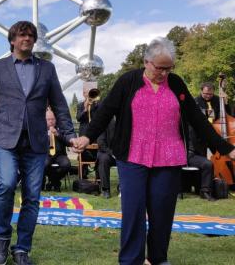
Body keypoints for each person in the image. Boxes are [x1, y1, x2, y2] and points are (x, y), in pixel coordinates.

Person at [74, 37, 235, 265]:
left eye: (168, 68)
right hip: (132, 156)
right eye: (159, 68)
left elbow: (196, 119)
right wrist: (86, 136)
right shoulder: (128, 82)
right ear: (146, 62)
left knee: (162, 212)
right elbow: (105, 111)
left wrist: (226, 149)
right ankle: (131, 260)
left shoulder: (176, 83)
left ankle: (158, 258)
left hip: (169, 158)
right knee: (134, 211)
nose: (164, 73)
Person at [0, 21, 76, 265]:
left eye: (30, 35)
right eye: (22, 35)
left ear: (35, 41)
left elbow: (59, 104)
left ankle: (22, 248)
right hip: (5, 139)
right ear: (12, 40)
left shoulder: (47, 68)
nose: (27, 38)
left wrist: (69, 134)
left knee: (32, 197)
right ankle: (2, 239)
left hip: (36, 142)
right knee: (5, 184)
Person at [43, 108, 71, 192]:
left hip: (60, 155)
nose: (51, 121)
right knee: (44, 164)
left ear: (56, 119)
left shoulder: (62, 128)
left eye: (52, 119)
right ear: (45, 120)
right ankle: (54, 182)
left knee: (66, 164)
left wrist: (57, 134)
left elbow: (67, 142)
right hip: (46, 154)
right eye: (48, 119)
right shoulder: (41, 129)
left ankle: (53, 181)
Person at [95, 117, 116, 199]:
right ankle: (105, 189)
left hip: (121, 153)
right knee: (103, 159)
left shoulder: (126, 122)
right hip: (108, 153)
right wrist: (112, 153)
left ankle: (123, 188)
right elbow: (101, 143)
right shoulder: (105, 122)